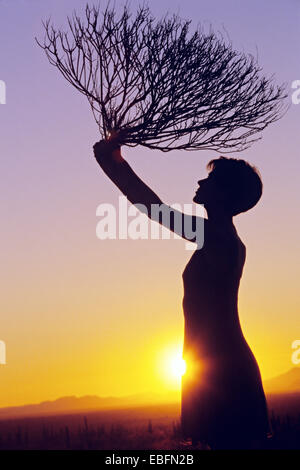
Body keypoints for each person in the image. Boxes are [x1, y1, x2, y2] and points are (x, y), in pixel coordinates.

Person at [93, 135, 271, 449]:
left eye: (212, 179)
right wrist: (112, 163)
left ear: (226, 194)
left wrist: (113, 163)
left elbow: (155, 210)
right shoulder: (218, 237)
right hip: (212, 364)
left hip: (223, 369)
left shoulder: (218, 238)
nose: (201, 180)